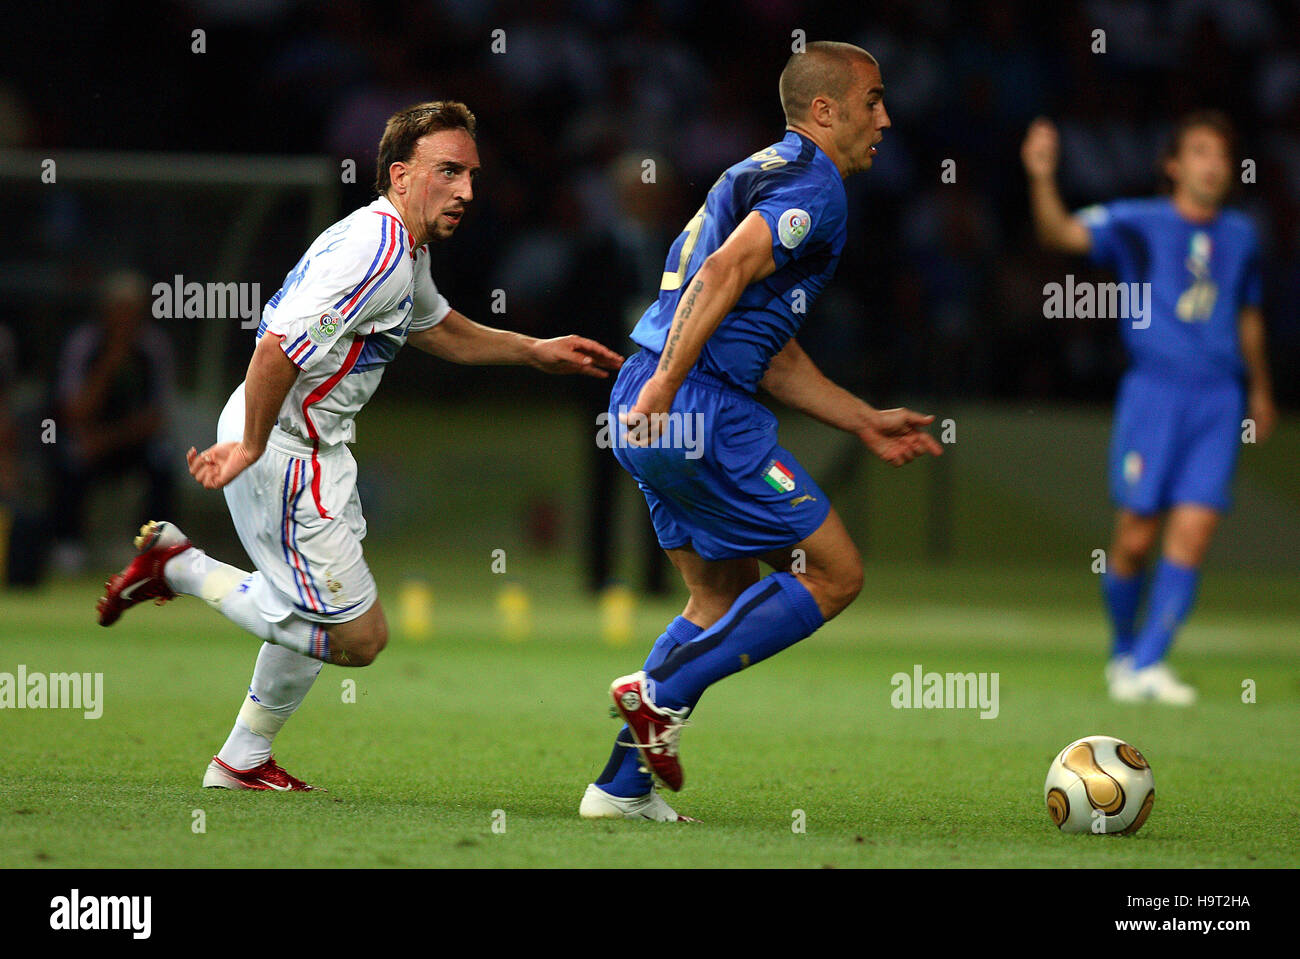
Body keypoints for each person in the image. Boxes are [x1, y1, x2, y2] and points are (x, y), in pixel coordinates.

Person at [96, 101, 623, 790]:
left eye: (471, 174)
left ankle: (242, 759)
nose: (466, 189)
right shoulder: (373, 254)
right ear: (401, 176)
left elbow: (437, 328)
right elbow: (277, 350)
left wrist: (532, 350)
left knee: (320, 603)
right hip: (283, 447)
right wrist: (253, 444)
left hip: (314, 448)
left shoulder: (404, 249)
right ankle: (180, 566)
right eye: (449, 172)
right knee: (359, 637)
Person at [579, 42, 942, 823]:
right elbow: (721, 277)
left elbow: (770, 352)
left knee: (717, 592)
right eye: (872, 100)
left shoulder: (753, 170)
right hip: (694, 403)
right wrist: (675, 388)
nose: (885, 117)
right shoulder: (817, 186)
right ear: (825, 110)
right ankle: (659, 694)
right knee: (836, 573)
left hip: (638, 395)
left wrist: (862, 417)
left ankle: (620, 786)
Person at [1021, 110, 1277, 705]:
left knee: (1193, 532)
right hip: (1155, 394)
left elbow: (1248, 314)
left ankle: (1152, 662)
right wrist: (1041, 176)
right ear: (1173, 164)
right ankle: (1123, 653)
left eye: (1221, 153)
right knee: (1135, 537)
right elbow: (1059, 235)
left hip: (1219, 399)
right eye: (1200, 151)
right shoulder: (1138, 221)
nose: (1213, 163)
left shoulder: (1242, 234)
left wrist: (1260, 388)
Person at [51, 270, 177, 573]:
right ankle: (68, 544)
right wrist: (110, 361)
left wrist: (109, 439)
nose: (125, 319)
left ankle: (152, 546)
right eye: (118, 310)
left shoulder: (154, 347)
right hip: (87, 439)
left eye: (132, 311)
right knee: (67, 455)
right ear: (104, 310)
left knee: (163, 461)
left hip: (131, 441)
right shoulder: (84, 343)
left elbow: (157, 417)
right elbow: (73, 411)